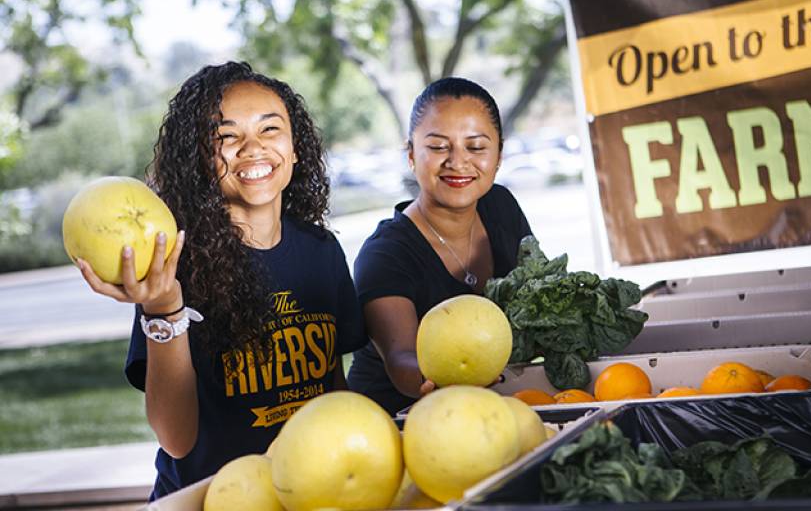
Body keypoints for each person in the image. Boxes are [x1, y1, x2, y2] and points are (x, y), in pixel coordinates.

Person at [77, 61, 366, 499]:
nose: (252, 148)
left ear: (295, 148)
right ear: (201, 159)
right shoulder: (173, 264)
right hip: (213, 499)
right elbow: (176, 440)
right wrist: (163, 308)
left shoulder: (322, 251)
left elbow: (332, 387)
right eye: (226, 136)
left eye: (270, 130)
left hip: (308, 491)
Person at [346, 77, 532, 416]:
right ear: (412, 155)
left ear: (499, 155)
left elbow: (535, 296)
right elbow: (402, 359)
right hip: (398, 429)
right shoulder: (384, 254)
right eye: (438, 146)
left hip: (485, 412)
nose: (458, 162)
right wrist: (443, 375)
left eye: (475, 147)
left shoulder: (501, 207)